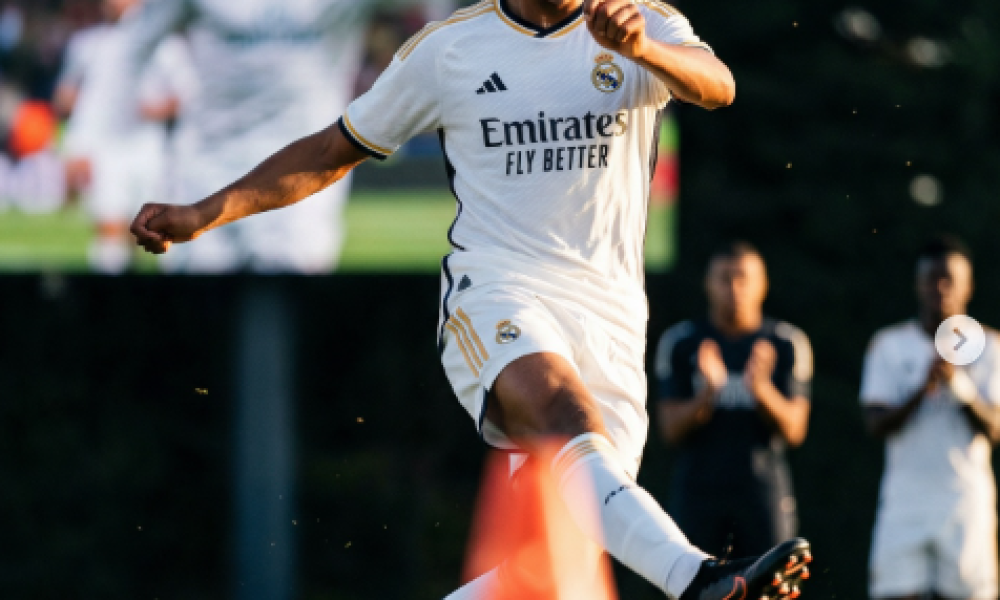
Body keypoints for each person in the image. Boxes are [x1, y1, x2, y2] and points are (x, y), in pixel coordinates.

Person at [130, 1, 814, 598]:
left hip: (611, 317)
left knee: (550, 561)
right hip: (495, 291)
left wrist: (645, 51)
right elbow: (333, 150)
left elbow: (718, 86)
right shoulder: (450, 49)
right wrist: (204, 212)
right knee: (564, 413)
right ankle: (697, 578)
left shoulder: (642, 21)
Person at [112, 0, 452, 274]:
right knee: (202, 317)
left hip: (304, 177)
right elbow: (132, 48)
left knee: (288, 313)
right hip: (204, 172)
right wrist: (115, 148)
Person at [861, 236, 1000, 600]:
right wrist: (921, 389)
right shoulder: (889, 345)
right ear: (917, 284)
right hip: (905, 504)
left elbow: (995, 427)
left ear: (968, 286)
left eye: (949, 279)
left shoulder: (990, 347)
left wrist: (959, 386)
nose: (940, 289)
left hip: (964, 504)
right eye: (930, 279)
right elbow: (875, 424)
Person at [654, 242, 812, 559]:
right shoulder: (682, 342)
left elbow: (795, 431)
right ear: (708, 284)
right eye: (724, 278)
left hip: (763, 494)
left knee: (770, 582)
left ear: (762, 284)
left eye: (743, 278)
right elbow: (670, 431)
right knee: (692, 579)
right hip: (699, 494)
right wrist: (707, 393)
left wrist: (761, 389)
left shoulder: (785, 343)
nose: (734, 288)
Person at [54, 0, 190, 274]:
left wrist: (152, 110)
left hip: (149, 148)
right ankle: (107, 294)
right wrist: (78, 144)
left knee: (156, 231)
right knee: (111, 224)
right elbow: (74, 98)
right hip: (109, 149)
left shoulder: (166, 44)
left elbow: (186, 96)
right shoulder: (92, 43)